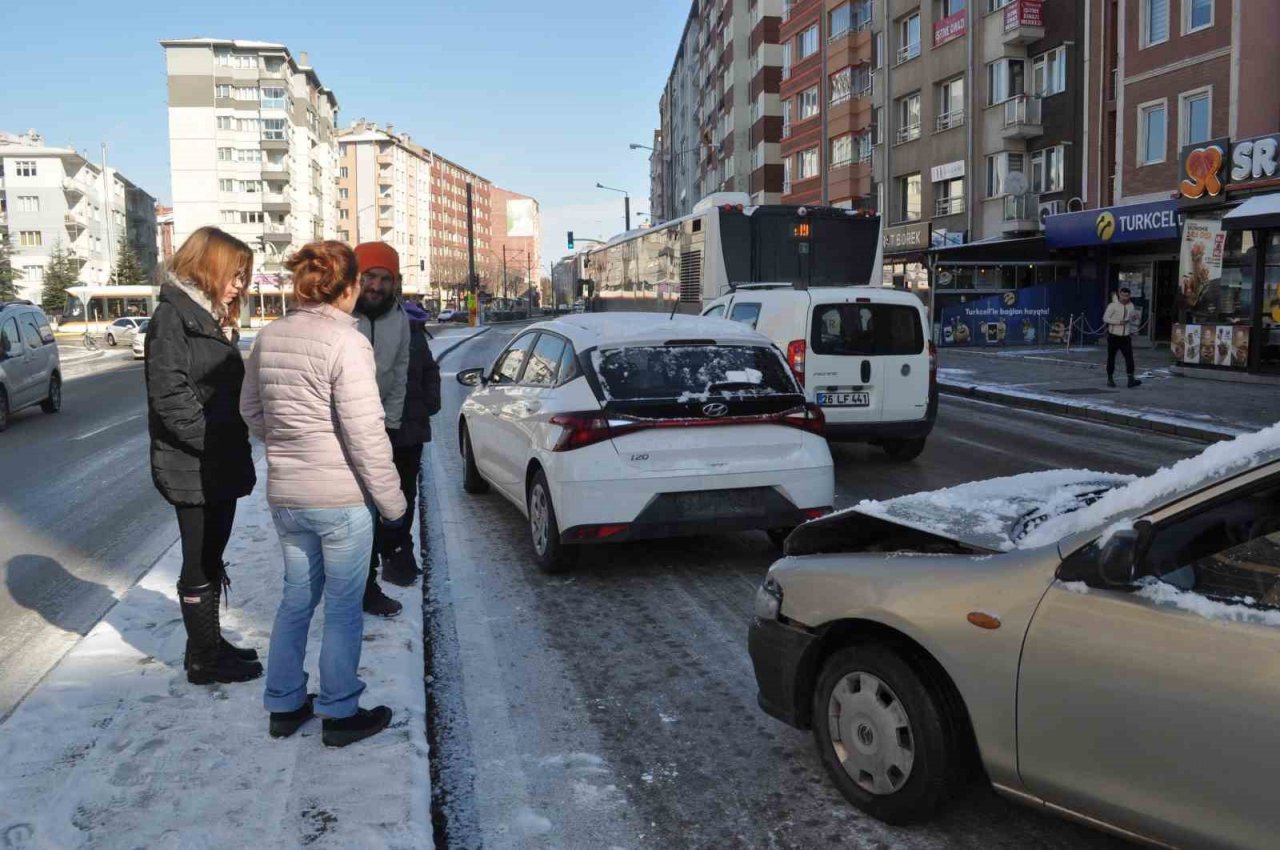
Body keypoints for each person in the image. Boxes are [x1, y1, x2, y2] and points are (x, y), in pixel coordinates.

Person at [240, 241, 408, 747]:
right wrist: (394, 505)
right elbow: (366, 434)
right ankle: (339, 711)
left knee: (295, 600)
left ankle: (285, 703)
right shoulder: (348, 343)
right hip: (338, 500)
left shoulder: (270, 336)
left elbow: (250, 409)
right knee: (341, 606)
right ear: (350, 286)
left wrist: (290, 443)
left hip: (287, 497)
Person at [145, 226, 261, 685]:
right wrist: (212, 442)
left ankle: (208, 646)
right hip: (194, 462)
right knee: (199, 559)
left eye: (244, 276)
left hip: (216, 458)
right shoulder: (173, 318)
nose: (239, 285)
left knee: (212, 556)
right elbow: (170, 395)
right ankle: (205, 661)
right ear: (207, 267)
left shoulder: (204, 315)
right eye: (235, 274)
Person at [350, 243, 418, 609]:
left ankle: (367, 584)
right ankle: (351, 586)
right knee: (351, 513)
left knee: (375, 512)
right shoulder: (340, 314)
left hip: (380, 428)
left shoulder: (400, 319)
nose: (375, 286)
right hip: (340, 428)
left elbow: (400, 373)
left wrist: (389, 425)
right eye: (369, 277)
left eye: (384, 278)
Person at [381, 295, 442, 586]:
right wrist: (428, 403)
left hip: (400, 428)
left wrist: (428, 403)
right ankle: (398, 555)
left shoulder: (404, 335)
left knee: (396, 495)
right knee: (400, 494)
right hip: (396, 429)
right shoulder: (414, 335)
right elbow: (431, 374)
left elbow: (429, 372)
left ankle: (397, 556)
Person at [1103, 287, 1142, 389]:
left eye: (1127, 296)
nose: (1125, 298)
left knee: (1129, 358)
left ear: (1129, 296)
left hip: (1126, 337)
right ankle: (1110, 378)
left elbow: (1133, 319)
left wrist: (1134, 319)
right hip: (1114, 336)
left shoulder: (1131, 306)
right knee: (1111, 358)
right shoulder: (1113, 305)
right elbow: (1105, 318)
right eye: (1123, 295)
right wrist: (1119, 322)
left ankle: (1130, 379)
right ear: (1120, 295)